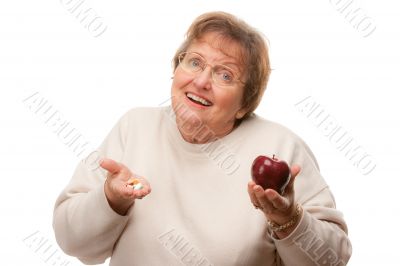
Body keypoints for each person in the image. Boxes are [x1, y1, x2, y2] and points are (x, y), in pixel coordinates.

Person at [53, 11, 352, 265]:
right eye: (195, 62)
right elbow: (71, 241)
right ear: (176, 68)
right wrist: (110, 199)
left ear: (245, 104)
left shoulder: (282, 147)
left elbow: (333, 258)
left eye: (225, 75)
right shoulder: (134, 126)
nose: (201, 81)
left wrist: (288, 220)